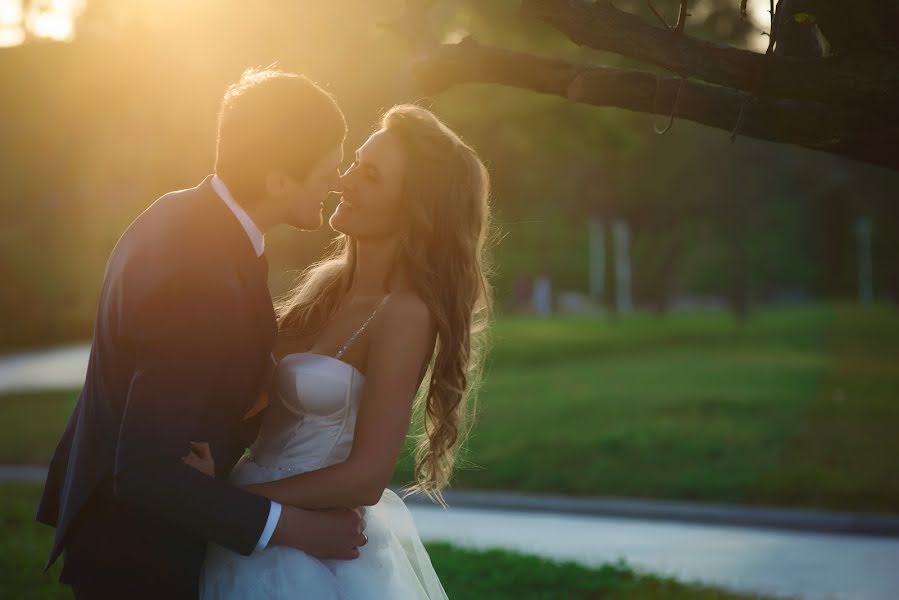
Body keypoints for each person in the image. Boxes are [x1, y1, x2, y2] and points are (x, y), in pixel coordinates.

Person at [36, 68, 366, 600]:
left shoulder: (186, 217)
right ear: (280, 179)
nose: (337, 180)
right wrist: (299, 527)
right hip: (140, 560)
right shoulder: (198, 271)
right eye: (329, 166)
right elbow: (145, 472)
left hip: (133, 541)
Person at [196, 104, 493, 599]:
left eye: (370, 176)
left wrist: (227, 501)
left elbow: (365, 478)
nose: (343, 180)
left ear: (413, 208)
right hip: (250, 524)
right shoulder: (326, 287)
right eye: (355, 162)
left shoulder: (405, 314)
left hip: (307, 550)